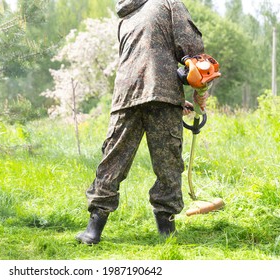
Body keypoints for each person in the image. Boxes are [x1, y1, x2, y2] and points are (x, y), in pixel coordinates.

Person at [76, 0, 209, 245]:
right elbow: (192, 50)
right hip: (160, 94)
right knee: (168, 162)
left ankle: (93, 230)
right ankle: (166, 232)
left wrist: (177, 101)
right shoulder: (168, 3)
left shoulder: (126, 17)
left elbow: (143, 58)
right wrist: (201, 87)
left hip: (126, 95)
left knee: (113, 159)